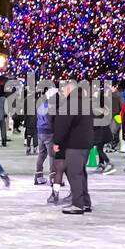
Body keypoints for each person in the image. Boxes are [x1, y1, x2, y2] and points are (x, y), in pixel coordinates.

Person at [51, 80, 94, 214]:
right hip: (85, 144)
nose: (63, 93)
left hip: (74, 144)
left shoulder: (70, 104)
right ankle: (85, 202)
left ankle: (77, 204)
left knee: (74, 174)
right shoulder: (85, 103)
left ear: (69, 90)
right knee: (81, 173)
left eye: (64, 90)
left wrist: (57, 141)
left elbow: (62, 125)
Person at [34, 86, 56, 185]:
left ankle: (38, 176)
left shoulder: (40, 105)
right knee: (52, 155)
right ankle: (53, 177)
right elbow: (52, 120)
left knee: (42, 154)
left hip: (40, 131)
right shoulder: (52, 106)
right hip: (49, 132)